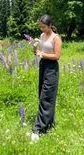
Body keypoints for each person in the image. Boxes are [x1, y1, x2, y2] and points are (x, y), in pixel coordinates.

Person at [31, 14, 62, 142]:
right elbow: (39, 52)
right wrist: (34, 48)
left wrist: (41, 54)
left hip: (52, 68)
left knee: (47, 96)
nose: (41, 29)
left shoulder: (56, 38)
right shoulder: (42, 36)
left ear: (50, 26)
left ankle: (38, 129)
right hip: (43, 65)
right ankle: (49, 123)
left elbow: (57, 56)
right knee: (42, 94)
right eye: (40, 27)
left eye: (43, 27)